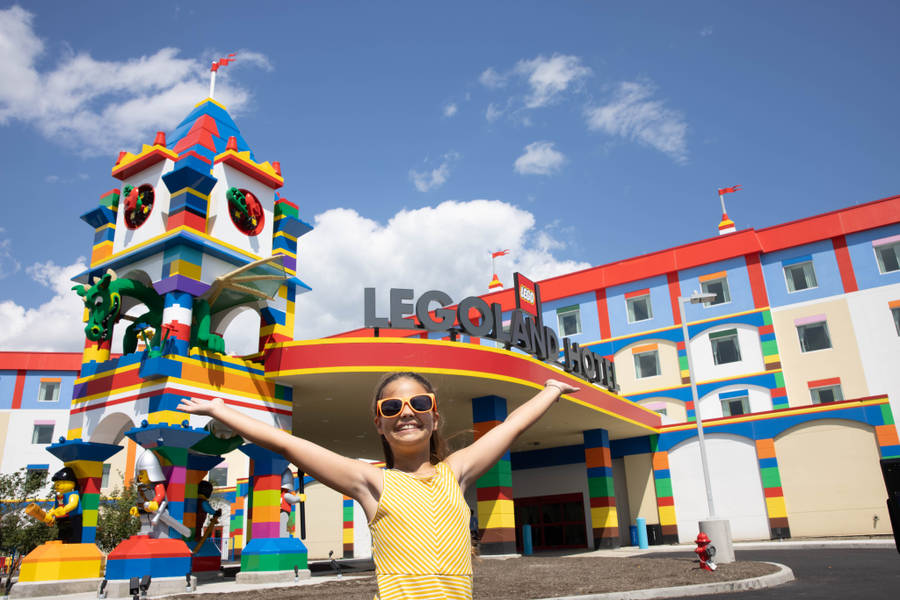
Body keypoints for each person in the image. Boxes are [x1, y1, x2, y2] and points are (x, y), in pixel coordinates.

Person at [177, 372, 578, 600]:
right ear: (379, 424)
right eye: (392, 407)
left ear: (435, 417)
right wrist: (221, 411)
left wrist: (552, 390)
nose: (406, 412)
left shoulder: (455, 472)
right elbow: (287, 444)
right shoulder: (371, 481)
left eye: (420, 403)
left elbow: (512, 426)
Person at [44, 467, 82, 543]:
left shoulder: (73, 494)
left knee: (74, 536)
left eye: (62, 482)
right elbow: (55, 507)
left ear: (72, 483)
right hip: (62, 520)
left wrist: (64, 510)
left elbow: (73, 504)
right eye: (56, 483)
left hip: (73, 519)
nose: (57, 485)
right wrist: (50, 514)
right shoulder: (60, 497)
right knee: (62, 534)